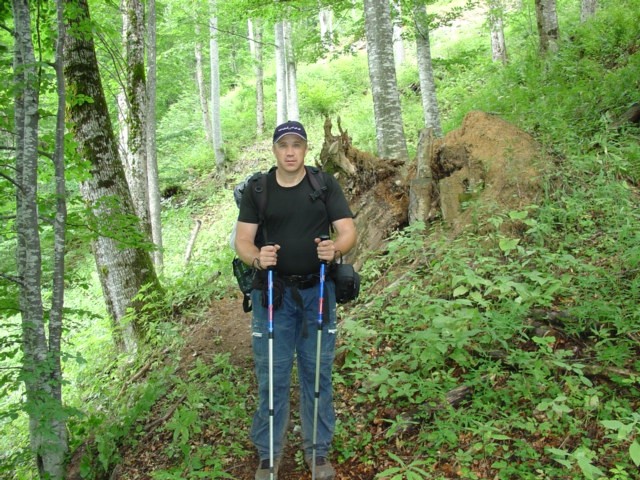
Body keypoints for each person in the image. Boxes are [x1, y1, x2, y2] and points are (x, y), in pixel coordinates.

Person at [235, 120, 357, 480]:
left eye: (297, 145)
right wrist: (257, 258)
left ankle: (317, 453)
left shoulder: (323, 184)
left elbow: (348, 230)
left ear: (305, 149)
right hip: (273, 296)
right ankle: (269, 455)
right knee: (271, 374)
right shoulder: (259, 189)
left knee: (316, 372)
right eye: (283, 145)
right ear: (275, 149)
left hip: (318, 291)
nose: (290, 151)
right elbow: (243, 240)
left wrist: (336, 248)